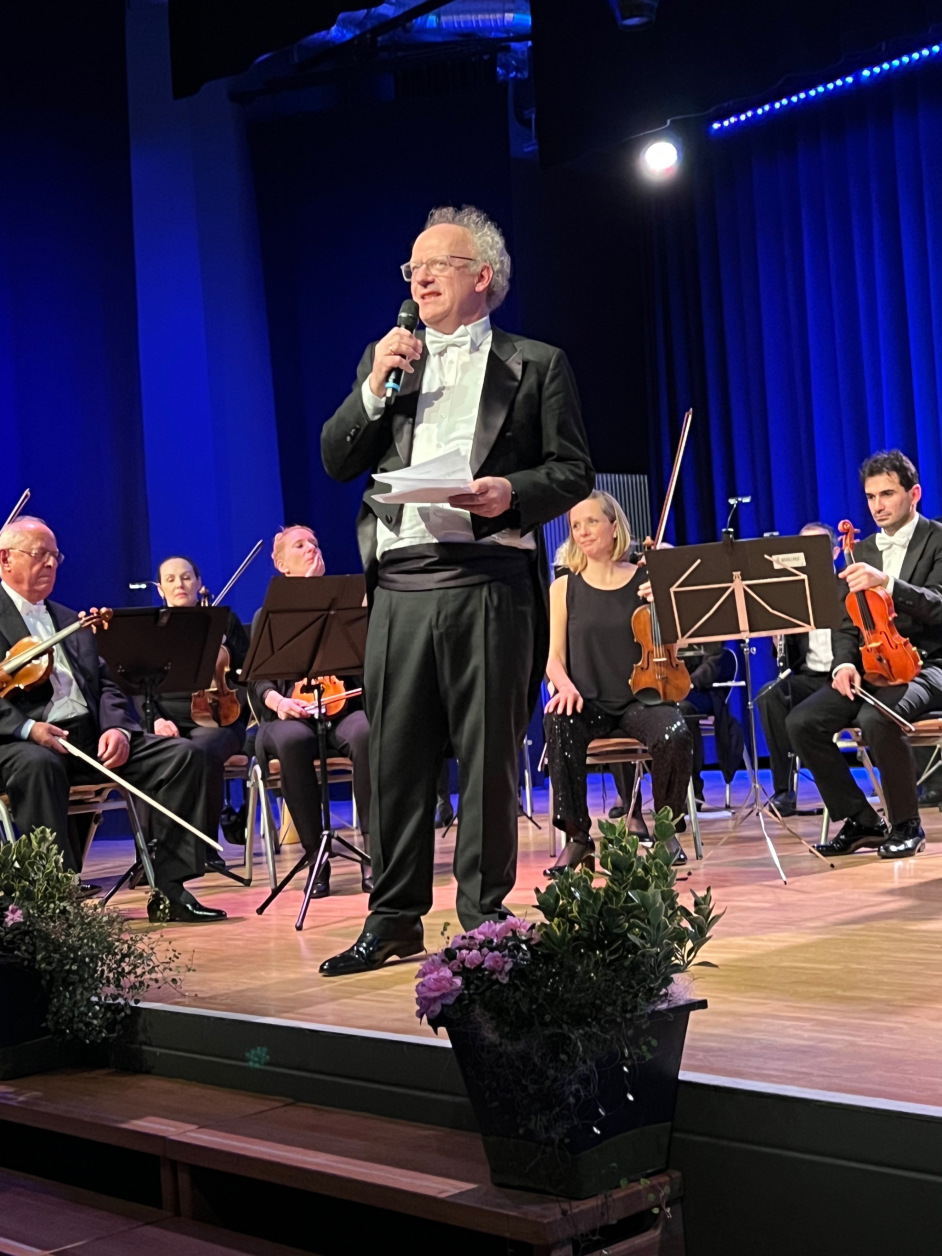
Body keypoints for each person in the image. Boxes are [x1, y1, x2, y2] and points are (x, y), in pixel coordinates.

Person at [319, 204, 594, 975]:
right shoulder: (390, 361)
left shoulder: (536, 363)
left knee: (487, 756)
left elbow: (574, 470)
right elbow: (337, 459)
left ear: (483, 276)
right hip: (402, 585)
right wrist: (373, 387)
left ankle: (483, 920)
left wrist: (511, 493)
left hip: (488, 579)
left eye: (436, 264)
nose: (420, 278)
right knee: (395, 758)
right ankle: (393, 918)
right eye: (412, 267)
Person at [0, 517, 224, 923]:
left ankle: (171, 889)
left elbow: (106, 685)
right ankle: (53, 901)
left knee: (183, 756)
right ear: (5, 559)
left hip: (88, 738)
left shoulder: (69, 619)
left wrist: (117, 728)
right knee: (38, 766)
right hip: (22, 741)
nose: (50, 563)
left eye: (55, 556)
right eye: (40, 554)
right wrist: (28, 728)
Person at [788, 451, 942, 858]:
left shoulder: (938, 539)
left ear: (914, 494)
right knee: (802, 722)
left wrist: (887, 582)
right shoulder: (863, 549)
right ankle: (862, 821)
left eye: (887, 494)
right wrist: (843, 663)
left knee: (877, 718)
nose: (877, 505)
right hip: (874, 666)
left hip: (930, 665)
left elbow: (938, 605)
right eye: (871, 496)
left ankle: (907, 824)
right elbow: (847, 623)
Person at [543, 491, 692, 869]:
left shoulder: (646, 579)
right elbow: (553, 658)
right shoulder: (564, 587)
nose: (582, 531)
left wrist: (666, 600)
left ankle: (666, 830)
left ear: (614, 526)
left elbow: (680, 643)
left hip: (640, 701)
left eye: (591, 521)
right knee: (557, 719)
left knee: (674, 729)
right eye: (575, 525)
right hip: (587, 702)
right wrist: (565, 686)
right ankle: (578, 837)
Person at [248, 526, 372, 897]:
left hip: (341, 711)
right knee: (292, 741)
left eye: (315, 543)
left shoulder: (349, 609)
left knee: (367, 732)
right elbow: (257, 680)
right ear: (281, 564)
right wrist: (280, 702)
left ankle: (374, 854)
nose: (310, 549)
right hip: (289, 716)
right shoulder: (267, 615)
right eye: (299, 545)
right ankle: (315, 855)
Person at [143, 555, 250, 846]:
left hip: (219, 719)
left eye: (187, 577)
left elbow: (249, 672)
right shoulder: (153, 628)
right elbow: (141, 688)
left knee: (201, 751)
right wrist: (156, 720)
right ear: (160, 589)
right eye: (171, 579)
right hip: (168, 719)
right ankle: (160, 848)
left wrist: (228, 647)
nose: (180, 584)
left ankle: (204, 847)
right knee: (151, 754)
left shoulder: (223, 620)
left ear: (199, 582)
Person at [756, 523, 841, 816]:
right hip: (811, 678)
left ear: (835, 552)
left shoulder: (847, 587)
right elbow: (788, 658)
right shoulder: (794, 595)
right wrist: (777, 636)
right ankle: (784, 791)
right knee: (769, 695)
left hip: (845, 677)